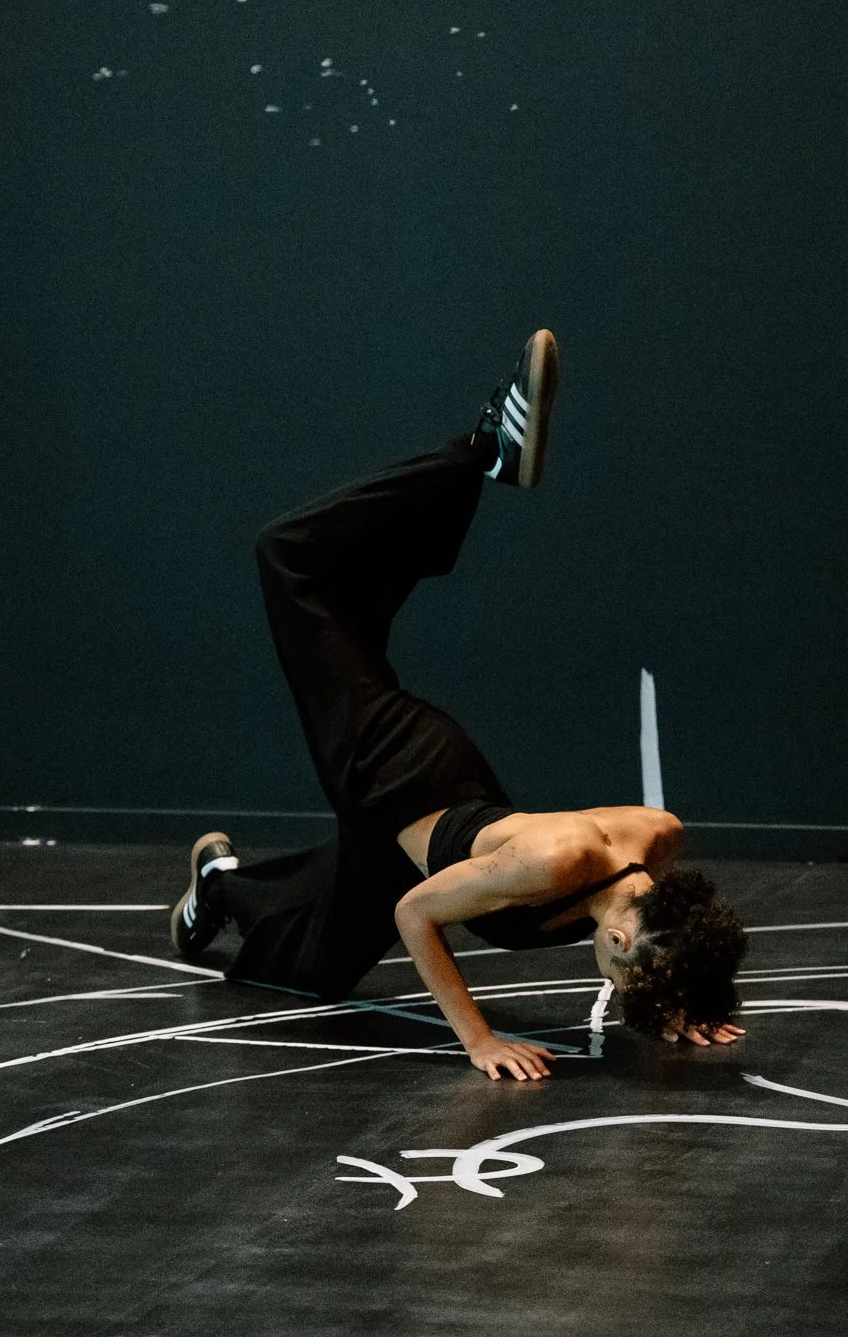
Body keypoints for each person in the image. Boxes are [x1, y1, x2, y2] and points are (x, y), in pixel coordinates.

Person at [169, 330, 747, 1080]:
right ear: (623, 941)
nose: (621, 992)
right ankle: (483, 446)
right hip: (388, 765)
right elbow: (417, 916)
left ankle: (216, 880)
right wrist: (479, 1039)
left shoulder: (657, 843)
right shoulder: (556, 863)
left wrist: (682, 996)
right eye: (632, 981)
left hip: (420, 820)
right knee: (289, 558)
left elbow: (658, 933)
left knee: (314, 971)